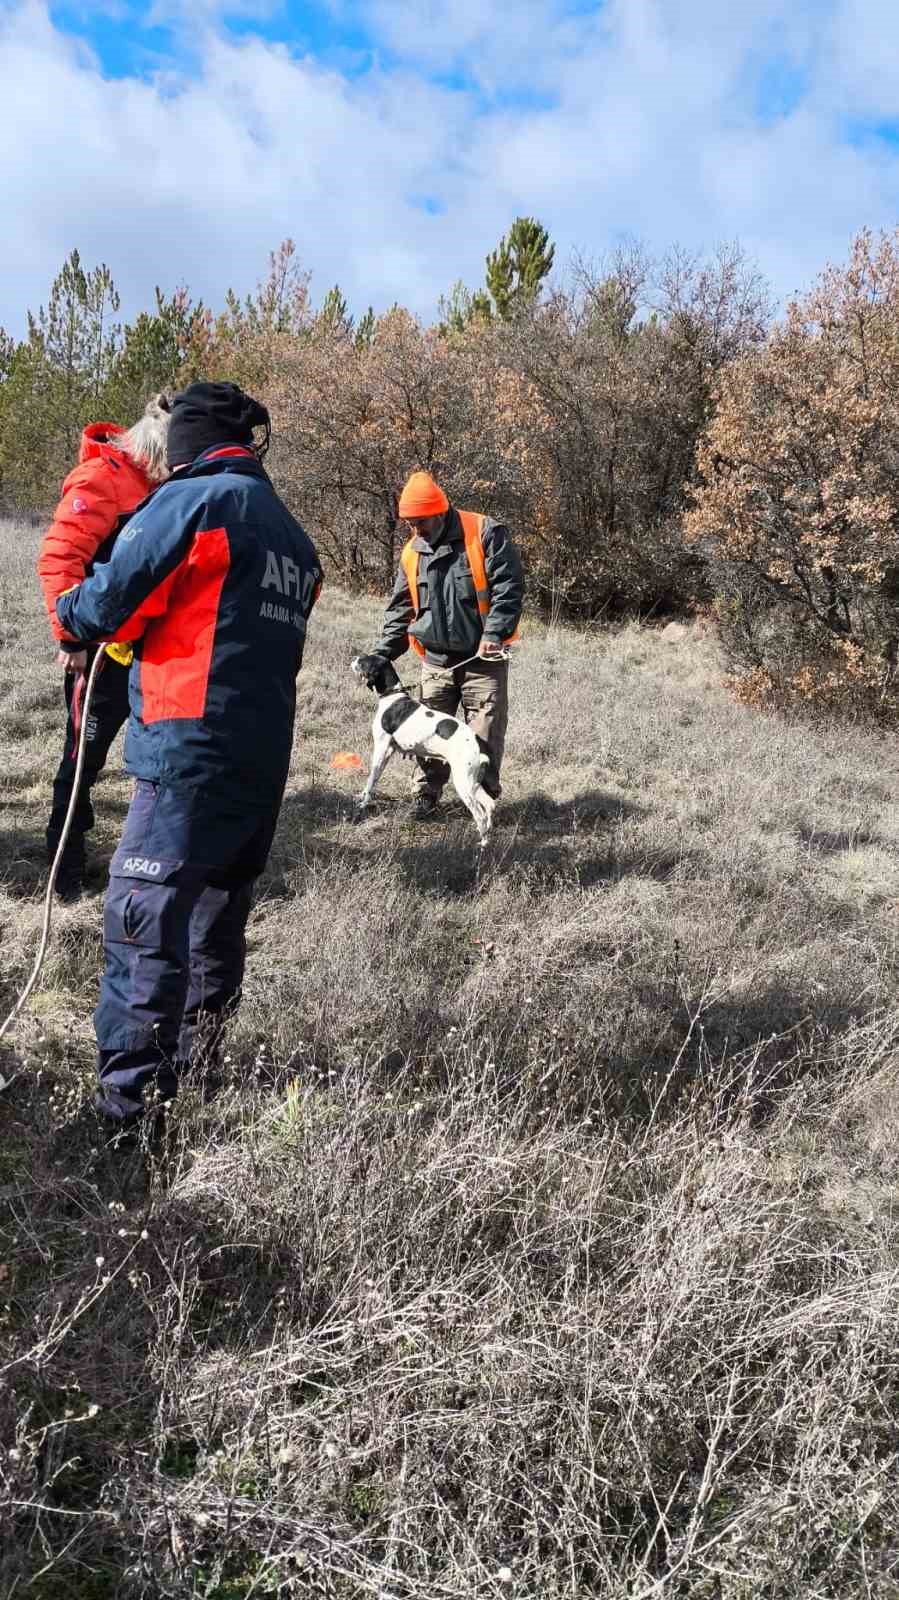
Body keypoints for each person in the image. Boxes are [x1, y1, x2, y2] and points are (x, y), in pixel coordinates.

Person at [55, 381, 322, 1128]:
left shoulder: (194, 502)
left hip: (186, 753)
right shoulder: (295, 540)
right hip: (260, 761)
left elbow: (107, 600)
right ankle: (199, 1074)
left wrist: (71, 617)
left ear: (188, 446)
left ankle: (127, 1113)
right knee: (214, 924)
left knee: (142, 923)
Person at [37, 395, 172, 899]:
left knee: (149, 759)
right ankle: (62, 869)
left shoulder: (160, 487)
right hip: (94, 652)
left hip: (143, 649)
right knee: (81, 761)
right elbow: (60, 557)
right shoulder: (101, 479)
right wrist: (70, 637)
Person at [371, 471, 524, 817]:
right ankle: (426, 797)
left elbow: (509, 589)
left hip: (483, 662)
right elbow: (401, 609)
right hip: (437, 662)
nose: (415, 530)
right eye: (410, 524)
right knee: (428, 737)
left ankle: (482, 803)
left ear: (439, 512)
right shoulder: (412, 552)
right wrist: (381, 655)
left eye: (420, 522)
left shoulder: (485, 532)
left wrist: (493, 634)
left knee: (482, 738)